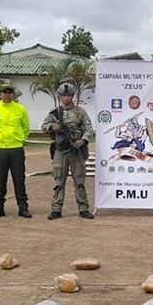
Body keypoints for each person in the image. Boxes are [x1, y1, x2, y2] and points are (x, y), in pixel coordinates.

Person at [42, 82, 95, 220]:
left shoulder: (80, 112)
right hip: (61, 151)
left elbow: (89, 128)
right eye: (64, 96)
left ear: (73, 96)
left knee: (80, 180)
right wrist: (53, 126)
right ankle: (56, 209)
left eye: (69, 95)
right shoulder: (55, 113)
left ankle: (83, 208)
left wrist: (82, 140)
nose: (67, 98)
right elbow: (44, 126)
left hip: (76, 150)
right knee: (59, 181)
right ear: (60, 97)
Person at [0, 84, 31, 219]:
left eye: (10, 92)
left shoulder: (20, 109)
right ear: (0, 94)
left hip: (16, 148)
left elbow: (26, 127)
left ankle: (23, 207)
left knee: (19, 179)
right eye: (5, 92)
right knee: (0, 179)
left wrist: (20, 140)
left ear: (13, 94)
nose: (7, 95)